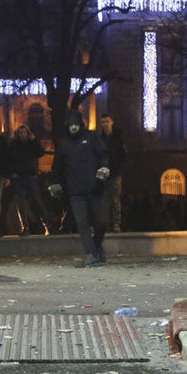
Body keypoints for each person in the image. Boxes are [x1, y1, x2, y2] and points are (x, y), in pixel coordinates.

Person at [49, 110, 109, 268]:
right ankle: (92, 253)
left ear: (80, 124)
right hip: (75, 190)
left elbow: (103, 154)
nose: (73, 127)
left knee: (101, 222)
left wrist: (104, 167)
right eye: (71, 124)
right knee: (82, 223)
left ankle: (96, 248)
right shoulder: (63, 144)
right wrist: (54, 183)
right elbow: (57, 167)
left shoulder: (91, 137)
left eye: (76, 124)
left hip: (94, 187)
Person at [8, 124, 54, 236]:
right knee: (22, 203)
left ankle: (48, 226)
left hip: (31, 176)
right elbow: (9, 159)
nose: (22, 134)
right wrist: (12, 173)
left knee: (37, 201)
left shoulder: (32, 143)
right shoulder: (14, 145)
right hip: (19, 176)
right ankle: (25, 228)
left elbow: (40, 152)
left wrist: (35, 141)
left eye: (24, 132)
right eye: (20, 132)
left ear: (28, 133)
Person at [99, 114, 127, 233]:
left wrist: (118, 167)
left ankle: (116, 223)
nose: (105, 124)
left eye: (107, 121)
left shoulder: (118, 138)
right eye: (103, 122)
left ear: (111, 122)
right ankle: (106, 224)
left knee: (115, 199)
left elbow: (123, 154)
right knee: (104, 200)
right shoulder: (100, 139)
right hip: (103, 173)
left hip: (114, 172)